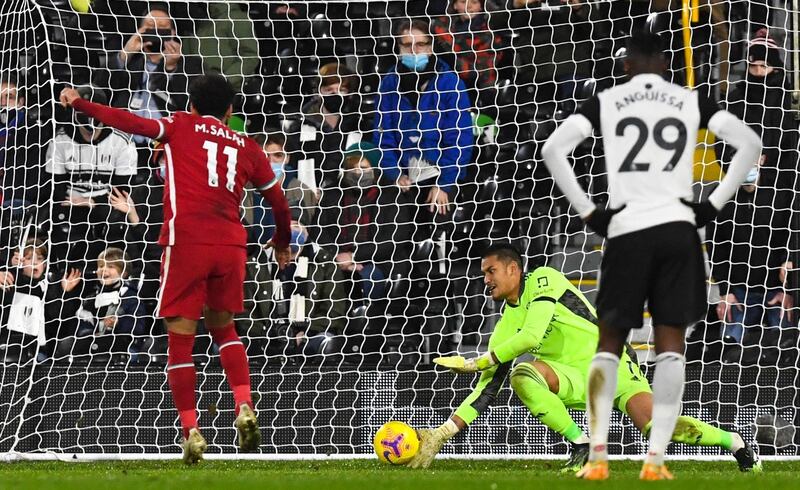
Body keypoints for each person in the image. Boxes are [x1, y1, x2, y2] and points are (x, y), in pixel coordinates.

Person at [540, 32, 761, 480]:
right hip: (677, 232)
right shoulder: (688, 100)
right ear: (665, 63)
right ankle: (655, 460)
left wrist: (589, 212)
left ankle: (598, 456)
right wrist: (713, 203)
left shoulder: (608, 100)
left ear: (626, 66)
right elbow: (750, 144)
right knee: (670, 347)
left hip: (627, 230)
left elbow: (552, 150)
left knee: (609, 344)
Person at [59, 73, 292, 464]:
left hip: (186, 241)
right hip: (231, 245)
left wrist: (79, 103)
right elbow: (279, 202)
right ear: (231, 110)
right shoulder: (249, 146)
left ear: (193, 104)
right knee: (225, 329)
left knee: (180, 339)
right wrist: (282, 243)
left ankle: (191, 431)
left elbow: (128, 121)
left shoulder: (178, 124)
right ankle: (244, 404)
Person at [412, 244, 761, 473]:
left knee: (661, 430)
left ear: (514, 269)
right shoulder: (506, 325)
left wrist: (478, 360)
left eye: (491, 271)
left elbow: (532, 336)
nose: (485, 280)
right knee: (521, 374)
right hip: (572, 377)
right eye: (483, 273)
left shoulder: (545, 279)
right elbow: (487, 390)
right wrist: (442, 434)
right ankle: (582, 445)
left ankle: (738, 444)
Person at [374, 18, 473, 241]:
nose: (414, 50)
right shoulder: (389, 83)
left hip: (441, 174)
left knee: (439, 218)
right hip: (402, 179)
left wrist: (444, 184)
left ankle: (439, 273)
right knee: (394, 228)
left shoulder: (450, 83)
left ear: (430, 46)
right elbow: (383, 135)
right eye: (407, 45)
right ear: (398, 48)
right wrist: (395, 174)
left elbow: (460, 139)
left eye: (420, 44)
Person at [708, 163, 793, 365]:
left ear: (762, 159)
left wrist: (789, 289)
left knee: (787, 342)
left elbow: (792, 236)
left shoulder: (781, 195)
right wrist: (725, 291)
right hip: (739, 292)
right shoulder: (721, 197)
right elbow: (716, 248)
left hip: (776, 289)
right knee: (728, 347)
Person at [45, 85, 138, 272]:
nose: (90, 121)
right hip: (70, 204)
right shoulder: (60, 141)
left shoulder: (122, 141)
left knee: (114, 225)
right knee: (59, 225)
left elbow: (122, 192)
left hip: (106, 204)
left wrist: (92, 201)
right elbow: (55, 188)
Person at [59, 247, 147, 363]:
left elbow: (139, 326)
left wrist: (118, 323)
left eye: (110, 266)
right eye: (101, 266)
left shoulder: (130, 297)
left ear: (124, 273)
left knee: (131, 354)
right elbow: (79, 324)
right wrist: (89, 333)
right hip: (92, 346)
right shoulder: (90, 299)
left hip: (122, 347)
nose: (103, 269)